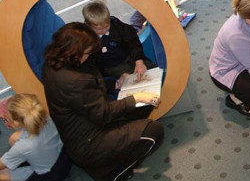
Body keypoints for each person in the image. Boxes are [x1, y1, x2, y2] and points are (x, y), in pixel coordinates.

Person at [42, 22, 164, 181]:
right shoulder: (72, 80)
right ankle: (111, 173)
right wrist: (135, 98)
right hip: (89, 141)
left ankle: (110, 158)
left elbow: (87, 93)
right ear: (75, 52)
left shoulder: (56, 63)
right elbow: (103, 113)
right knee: (153, 132)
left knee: (141, 107)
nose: (90, 54)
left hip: (89, 122)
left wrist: (115, 83)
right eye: (87, 52)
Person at [0, 94, 71, 181]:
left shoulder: (22, 146)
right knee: (13, 138)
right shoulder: (43, 115)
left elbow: (1, 165)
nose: (4, 122)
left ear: (16, 122)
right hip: (63, 154)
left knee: (2, 175)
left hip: (53, 174)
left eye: (5, 119)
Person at [83, 1, 153, 80]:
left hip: (129, 56)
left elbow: (132, 41)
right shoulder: (87, 39)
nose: (104, 30)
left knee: (152, 69)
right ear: (88, 26)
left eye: (107, 26)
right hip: (112, 67)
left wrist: (139, 61)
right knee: (133, 79)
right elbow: (92, 65)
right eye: (100, 29)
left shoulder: (116, 25)